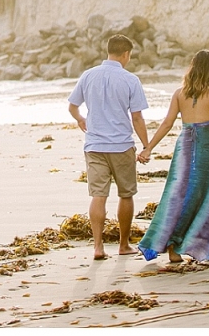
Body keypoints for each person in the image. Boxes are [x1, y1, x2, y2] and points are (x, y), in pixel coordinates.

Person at [137, 49, 209, 263]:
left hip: (185, 147)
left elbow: (167, 123)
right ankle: (198, 244)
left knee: (179, 194)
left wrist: (149, 147)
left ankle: (173, 245)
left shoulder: (180, 93)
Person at [68, 34, 149, 260]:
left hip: (94, 145)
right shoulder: (130, 80)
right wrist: (146, 145)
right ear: (125, 54)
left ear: (108, 51)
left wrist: (80, 119)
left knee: (98, 195)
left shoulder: (88, 75)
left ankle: (98, 247)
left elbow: (72, 107)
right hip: (121, 145)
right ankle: (123, 244)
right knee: (126, 194)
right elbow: (137, 118)